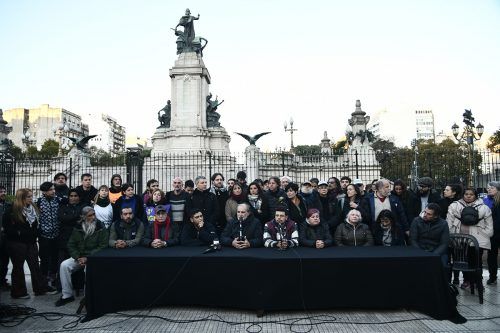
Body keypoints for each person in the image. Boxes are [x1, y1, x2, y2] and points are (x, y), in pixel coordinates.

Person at [4, 189, 56, 298]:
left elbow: (35, 224)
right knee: (18, 267)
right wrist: (21, 233)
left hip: (31, 242)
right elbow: (8, 228)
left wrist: (35, 233)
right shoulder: (12, 210)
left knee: (35, 265)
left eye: (31, 196)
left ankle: (40, 288)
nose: (31, 199)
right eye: (28, 197)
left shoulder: (32, 208)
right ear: (21, 198)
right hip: (17, 243)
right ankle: (18, 292)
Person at [56, 206, 108, 307]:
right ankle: (67, 295)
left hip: (93, 258)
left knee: (88, 270)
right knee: (64, 265)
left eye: (94, 215)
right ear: (83, 217)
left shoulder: (100, 226)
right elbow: (71, 244)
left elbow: (103, 245)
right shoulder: (78, 227)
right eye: (90, 216)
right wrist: (78, 257)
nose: (93, 217)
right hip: (79, 257)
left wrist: (88, 257)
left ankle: (87, 298)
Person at [447, 187, 493, 289]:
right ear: (463, 195)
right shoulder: (454, 206)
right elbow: (449, 222)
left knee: (477, 261)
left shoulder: (484, 208)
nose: (468, 196)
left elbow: (489, 226)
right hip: (460, 238)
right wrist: (452, 235)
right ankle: (467, 280)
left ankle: (477, 281)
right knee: (464, 260)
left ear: (475, 196)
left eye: (471, 194)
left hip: (477, 239)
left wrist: (484, 234)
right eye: (466, 194)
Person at [36, 181, 61, 286]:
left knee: (55, 257)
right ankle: (43, 280)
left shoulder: (58, 200)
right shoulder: (38, 202)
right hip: (44, 236)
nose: (53, 191)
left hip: (56, 234)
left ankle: (53, 278)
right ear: (44, 191)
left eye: (53, 189)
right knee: (44, 258)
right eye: (50, 190)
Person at [57, 189, 84, 270]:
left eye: (75, 196)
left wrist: (69, 218)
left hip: (78, 240)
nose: (73, 198)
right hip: (65, 239)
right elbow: (62, 218)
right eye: (71, 196)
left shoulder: (84, 206)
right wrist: (77, 216)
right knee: (63, 264)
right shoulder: (63, 207)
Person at [485, 182, 500, 285]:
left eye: (492, 188)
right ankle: (492, 277)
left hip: (497, 232)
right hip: (494, 233)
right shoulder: (487, 201)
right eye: (488, 188)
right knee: (491, 256)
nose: (489, 189)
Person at [0, 185, 12, 290]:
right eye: (1, 192)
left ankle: (2, 280)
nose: (3, 193)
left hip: (6, 237)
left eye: (4, 191)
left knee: (5, 260)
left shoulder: (8, 205)